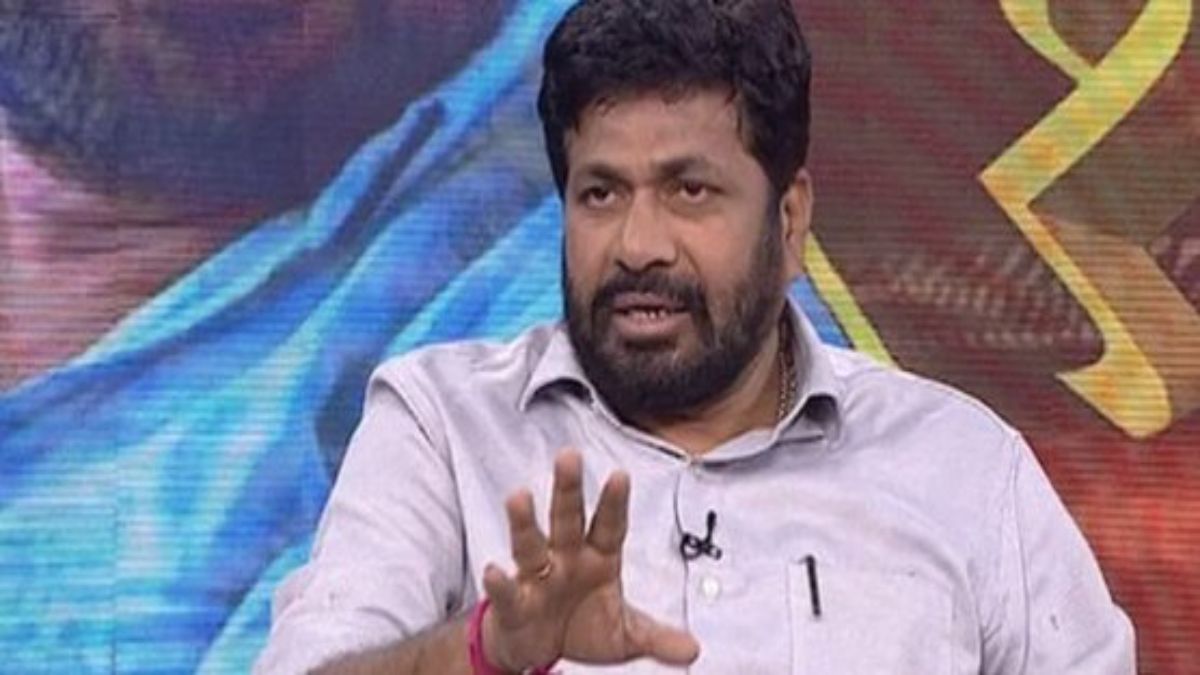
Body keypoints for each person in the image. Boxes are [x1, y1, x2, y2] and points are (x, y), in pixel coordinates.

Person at [256, 0, 1136, 673]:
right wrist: (486, 648)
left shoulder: (963, 467)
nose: (638, 245)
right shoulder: (443, 426)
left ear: (789, 221)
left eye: (690, 191)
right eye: (602, 193)